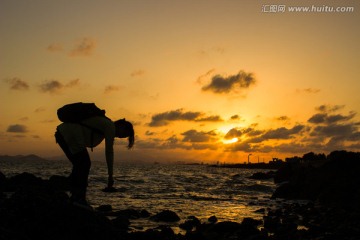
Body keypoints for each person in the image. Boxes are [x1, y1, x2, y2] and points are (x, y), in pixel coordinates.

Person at [55, 116, 134, 207]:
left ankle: (71, 193)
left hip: (63, 133)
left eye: (123, 137)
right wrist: (110, 175)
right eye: (123, 134)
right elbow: (109, 151)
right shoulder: (110, 127)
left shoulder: (106, 126)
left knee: (80, 165)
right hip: (68, 134)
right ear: (121, 126)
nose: (120, 137)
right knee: (84, 163)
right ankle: (78, 198)